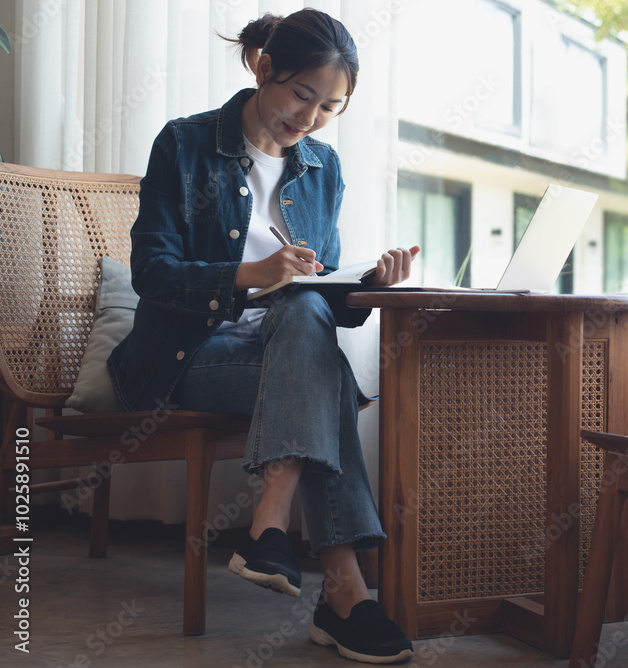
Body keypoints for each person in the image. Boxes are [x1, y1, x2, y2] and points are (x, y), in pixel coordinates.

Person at [107, 9, 417, 664]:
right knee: (325, 378)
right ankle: (346, 597)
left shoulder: (323, 167)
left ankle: (271, 529)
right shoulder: (184, 144)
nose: (309, 119)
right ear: (264, 68)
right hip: (182, 354)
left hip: (282, 351)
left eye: (330, 107)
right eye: (302, 95)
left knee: (308, 321)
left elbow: (320, 295)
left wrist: (366, 290)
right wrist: (252, 273)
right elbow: (151, 273)